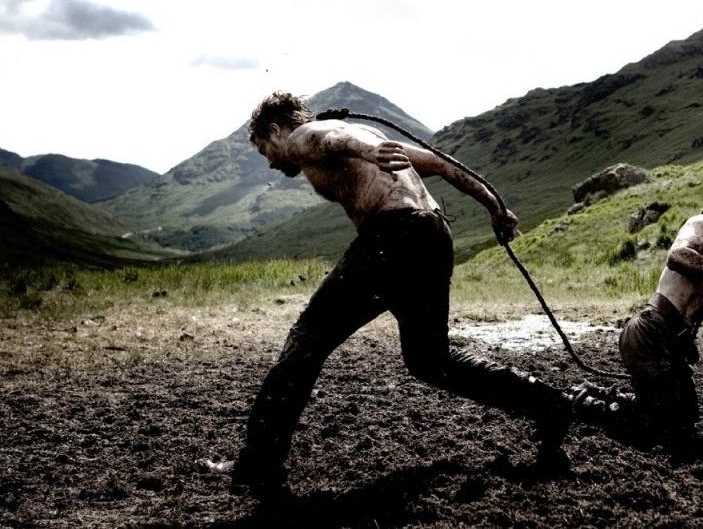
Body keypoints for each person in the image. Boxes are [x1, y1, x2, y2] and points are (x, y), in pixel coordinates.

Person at [207, 92, 572, 497]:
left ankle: (257, 465)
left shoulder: (304, 136)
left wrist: (372, 150)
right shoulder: (359, 131)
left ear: (274, 130)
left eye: (264, 150)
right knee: (431, 361)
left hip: (393, 236)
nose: (272, 162)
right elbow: (440, 163)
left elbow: (333, 140)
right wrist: (494, 207)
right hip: (433, 234)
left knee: (307, 341)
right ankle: (548, 405)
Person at [569, 188, 703, 452]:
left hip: (671, 345)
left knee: (685, 417)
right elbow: (677, 257)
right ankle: (584, 402)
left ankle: (601, 395)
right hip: (649, 331)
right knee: (660, 428)